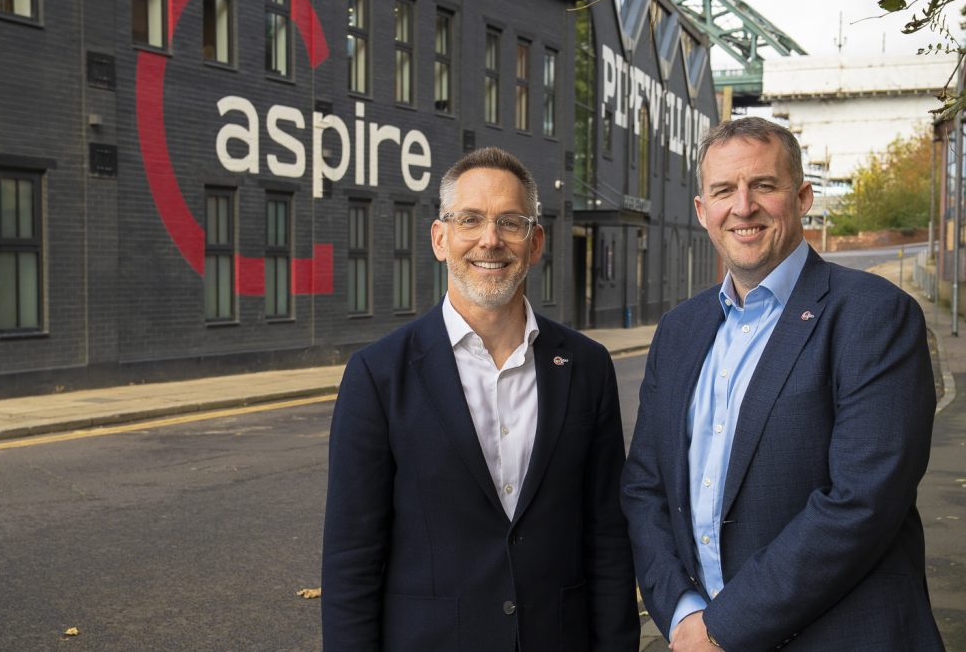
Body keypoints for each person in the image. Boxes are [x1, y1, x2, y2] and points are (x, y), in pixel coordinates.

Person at [621, 116, 944, 650]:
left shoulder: (873, 315)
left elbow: (861, 502)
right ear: (702, 210)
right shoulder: (680, 330)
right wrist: (681, 613)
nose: (743, 206)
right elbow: (644, 487)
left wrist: (720, 629)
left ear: (803, 197)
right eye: (723, 190)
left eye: (763, 185)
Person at [322, 147, 639, 651]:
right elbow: (351, 557)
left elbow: (607, 537)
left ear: (535, 243)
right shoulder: (378, 375)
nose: (490, 239)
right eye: (469, 219)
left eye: (510, 222)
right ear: (440, 238)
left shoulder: (587, 366)